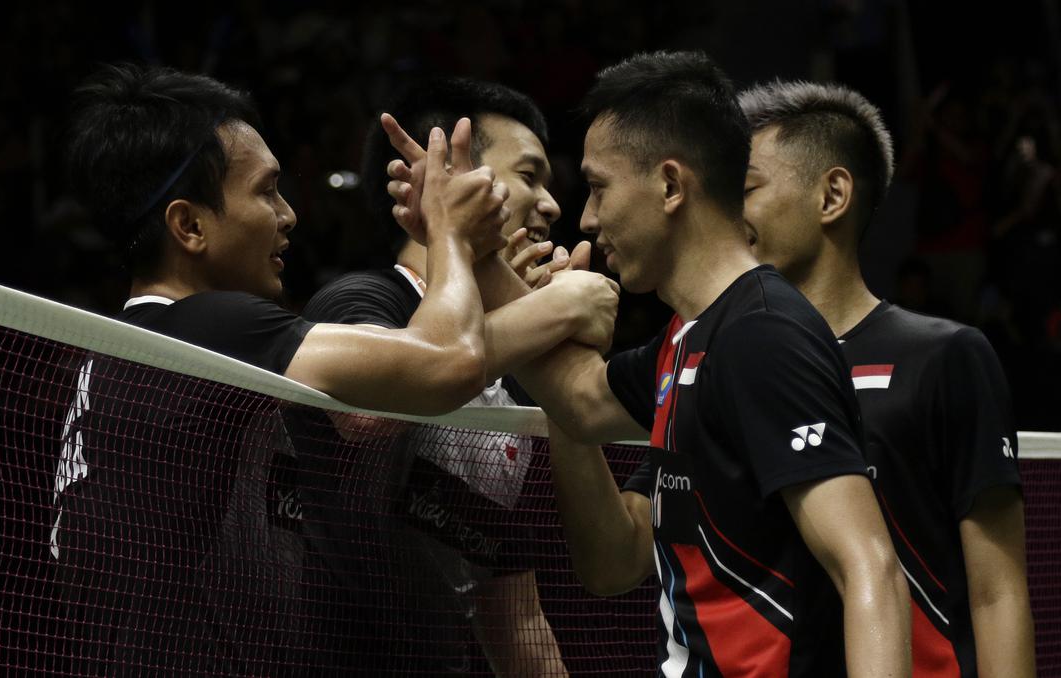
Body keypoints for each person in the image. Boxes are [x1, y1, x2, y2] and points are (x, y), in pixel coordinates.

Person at [383, 51, 912, 676]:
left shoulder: (763, 334)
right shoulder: (686, 340)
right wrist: (471, 241)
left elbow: (869, 566)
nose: (586, 218)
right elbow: (578, 400)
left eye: (600, 188)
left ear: (669, 185)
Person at [51, 63, 516, 674]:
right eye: (266, 191)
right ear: (189, 225)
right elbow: (450, 360)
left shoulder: (120, 351)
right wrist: (448, 234)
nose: (288, 214)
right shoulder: (208, 326)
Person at [303, 76, 605, 675]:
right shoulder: (364, 303)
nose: (551, 204)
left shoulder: (518, 375)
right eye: (528, 175)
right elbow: (366, 414)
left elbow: (515, 615)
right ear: (453, 176)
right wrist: (558, 308)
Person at [739, 80, 1036, 676]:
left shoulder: (946, 357)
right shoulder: (728, 364)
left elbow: (997, 592)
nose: (727, 215)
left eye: (745, 189)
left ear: (833, 196)